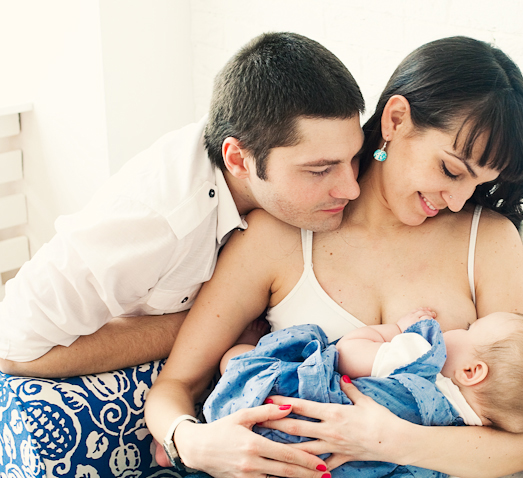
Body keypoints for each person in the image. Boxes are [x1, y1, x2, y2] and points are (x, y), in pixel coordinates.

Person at [137, 35, 523, 478]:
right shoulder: (280, 234)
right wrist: (195, 443)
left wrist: (387, 440)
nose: (459, 200)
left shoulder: (488, 242)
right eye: (450, 170)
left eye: (478, 183)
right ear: (395, 120)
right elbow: (175, 385)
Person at [0, 32, 365, 379]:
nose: (351, 189)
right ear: (237, 160)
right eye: (319, 170)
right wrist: (209, 325)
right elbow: (13, 348)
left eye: (355, 158)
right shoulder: (155, 220)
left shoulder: (263, 138)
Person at [203, 309, 523, 478]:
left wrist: (394, 331)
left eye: (470, 329)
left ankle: (224, 380)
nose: (459, 329)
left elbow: (348, 353)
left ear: (472, 371)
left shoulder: (421, 357)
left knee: (240, 360)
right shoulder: (467, 449)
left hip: (282, 430)